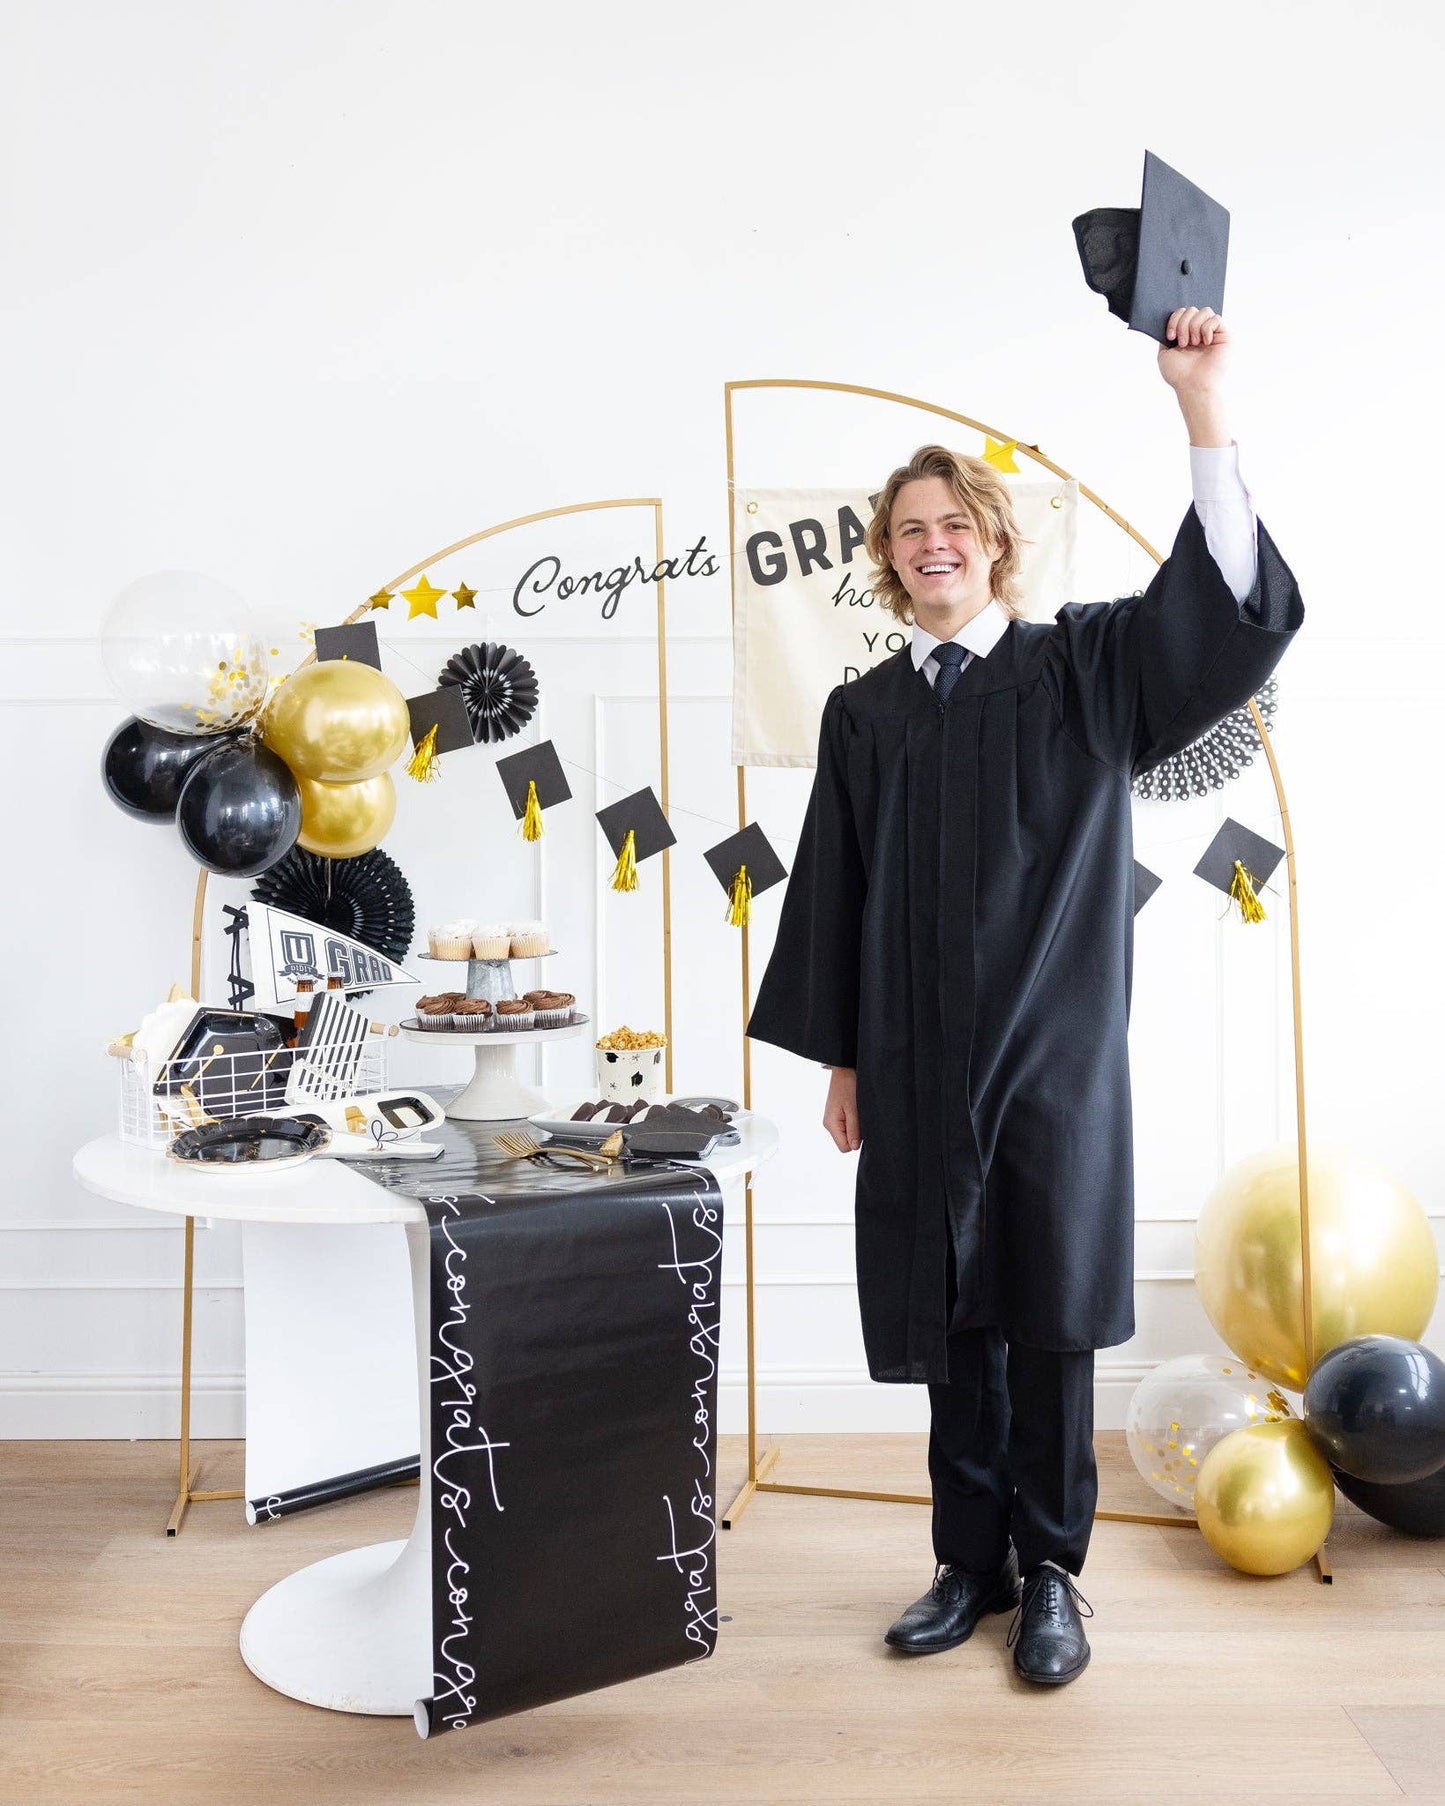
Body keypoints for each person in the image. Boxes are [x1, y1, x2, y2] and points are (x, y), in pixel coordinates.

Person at [746, 306, 1303, 1686]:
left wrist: (1201, 405)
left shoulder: (1086, 669)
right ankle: (963, 1562)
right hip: (915, 1058)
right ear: (886, 559)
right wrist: (841, 1063)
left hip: (1054, 1064)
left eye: (953, 523)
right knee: (950, 1319)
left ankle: (1051, 1571)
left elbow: (1222, 617)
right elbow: (837, 890)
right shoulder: (864, 715)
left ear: (994, 541)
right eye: (906, 529)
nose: (930, 542)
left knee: (1046, 1315)